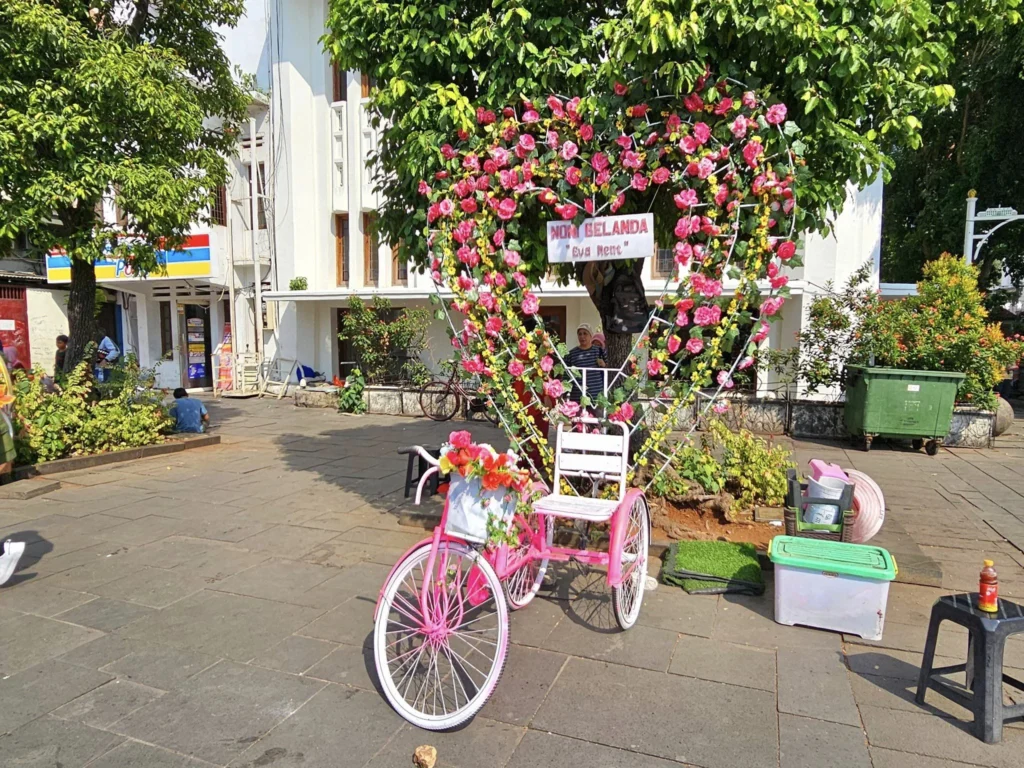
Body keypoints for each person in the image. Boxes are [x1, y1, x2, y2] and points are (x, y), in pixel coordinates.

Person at [565, 323, 607, 404]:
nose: (582, 336)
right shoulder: (571, 354)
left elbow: (610, 370)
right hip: (577, 397)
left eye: (585, 333)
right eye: (580, 334)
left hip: (596, 398)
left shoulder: (599, 351)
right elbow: (566, 375)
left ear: (591, 335)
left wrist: (604, 365)